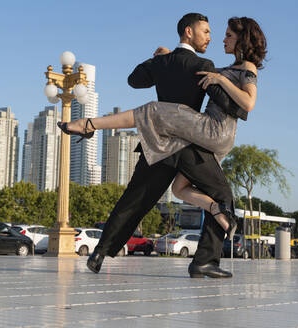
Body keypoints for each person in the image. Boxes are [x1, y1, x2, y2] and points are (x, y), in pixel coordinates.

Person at [64, 13, 264, 278]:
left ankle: (100, 252)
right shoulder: (204, 64)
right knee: (208, 194)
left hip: (164, 141)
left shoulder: (177, 63)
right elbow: (226, 102)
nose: (213, 37)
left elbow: (135, 81)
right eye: (207, 31)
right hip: (188, 145)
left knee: (134, 199)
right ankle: (205, 259)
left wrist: (159, 60)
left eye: (223, 34)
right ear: (189, 32)